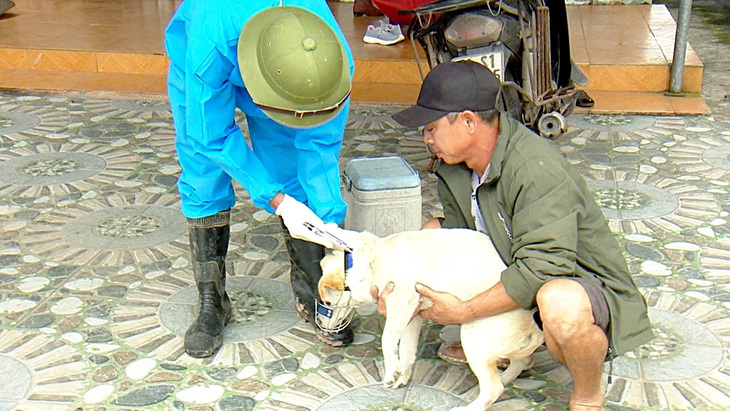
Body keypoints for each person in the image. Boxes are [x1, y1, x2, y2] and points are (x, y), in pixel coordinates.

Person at [376, 61, 653, 410]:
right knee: (430, 233)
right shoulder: (454, 166)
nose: (426, 139)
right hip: (518, 265)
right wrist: (399, 285)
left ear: (467, 121)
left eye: (431, 128)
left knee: (559, 303)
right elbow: (459, 237)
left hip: (580, 282)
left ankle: (587, 395)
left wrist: (466, 312)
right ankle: (510, 341)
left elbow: (544, 267)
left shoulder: (535, 168)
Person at [164, 2, 356, 358]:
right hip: (207, 64)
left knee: (290, 163)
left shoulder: (330, 63)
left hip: (287, 79)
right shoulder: (212, 38)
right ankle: (212, 300)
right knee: (203, 175)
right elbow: (212, 137)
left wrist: (329, 223)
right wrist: (276, 200)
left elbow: (320, 145)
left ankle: (311, 284)